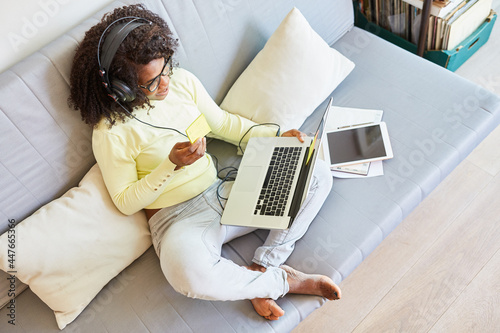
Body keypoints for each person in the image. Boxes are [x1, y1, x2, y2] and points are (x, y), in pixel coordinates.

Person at [68, 4, 341, 321]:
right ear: (123, 88)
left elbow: (224, 124)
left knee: (317, 172)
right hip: (177, 221)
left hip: (225, 194)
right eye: (153, 82)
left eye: (166, 67)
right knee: (187, 274)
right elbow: (125, 201)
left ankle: (264, 264)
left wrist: (277, 135)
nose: (166, 82)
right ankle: (281, 281)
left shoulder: (182, 82)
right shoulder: (110, 132)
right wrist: (171, 164)